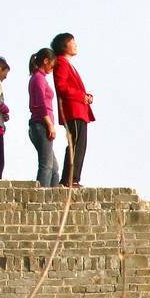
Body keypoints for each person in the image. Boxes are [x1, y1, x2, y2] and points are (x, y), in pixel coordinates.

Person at [51, 32, 94, 187]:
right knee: (76, 144)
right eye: (72, 42)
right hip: (73, 110)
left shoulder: (68, 64)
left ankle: (72, 178)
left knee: (79, 144)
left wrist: (85, 97)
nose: (75, 44)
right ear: (64, 45)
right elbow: (62, 87)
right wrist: (81, 96)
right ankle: (71, 179)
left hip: (79, 109)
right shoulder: (62, 63)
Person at [26, 48, 59, 187]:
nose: (52, 68)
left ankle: (53, 196)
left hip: (41, 124)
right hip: (41, 124)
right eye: (52, 64)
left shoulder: (39, 78)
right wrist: (49, 124)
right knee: (46, 165)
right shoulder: (38, 78)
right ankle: (42, 197)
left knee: (54, 167)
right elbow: (39, 104)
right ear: (46, 61)